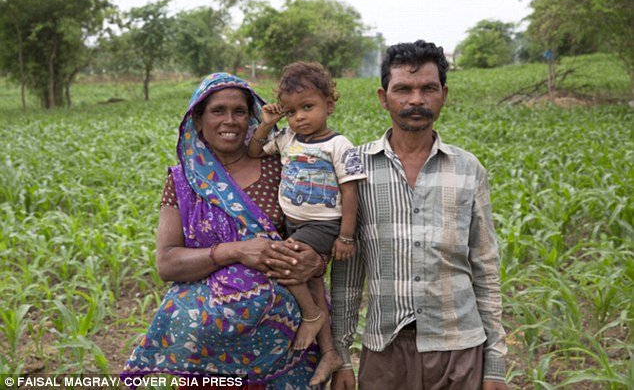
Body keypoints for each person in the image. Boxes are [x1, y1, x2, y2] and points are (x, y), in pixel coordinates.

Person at [121, 73, 329, 389]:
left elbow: (319, 225)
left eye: (239, 111)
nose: (229, 120)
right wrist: (235, 250)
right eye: (218, 110)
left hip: (287, 348)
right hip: (209, 352)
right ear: (199, 119)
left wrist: (316, 259)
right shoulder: (183, 181)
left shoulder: (283, 166)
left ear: (252, 117)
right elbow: (167, 263)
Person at [330, 40, 507, 390]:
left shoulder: (467, 168)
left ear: (443, 94)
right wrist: (340, 353)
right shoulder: (355, 167)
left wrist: (496, 365)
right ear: (383, 97)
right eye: (403, 89)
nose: (415, 100)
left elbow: (485, 268)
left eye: (428, 88)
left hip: (460, 350)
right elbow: (347, 273)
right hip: (385, 351)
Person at [248, 62, 366, 385]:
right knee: (313, 281)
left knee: (283, 260)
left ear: (329, 105)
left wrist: (345, 236)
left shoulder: (339, 145)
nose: (299, 117)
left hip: (325, 225)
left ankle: (312, 316)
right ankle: (329, 351)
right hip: (295, 223)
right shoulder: (287, 138)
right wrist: (267, 123)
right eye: (291, 112)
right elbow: (255, 151)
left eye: (308, 107)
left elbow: (350, 190)